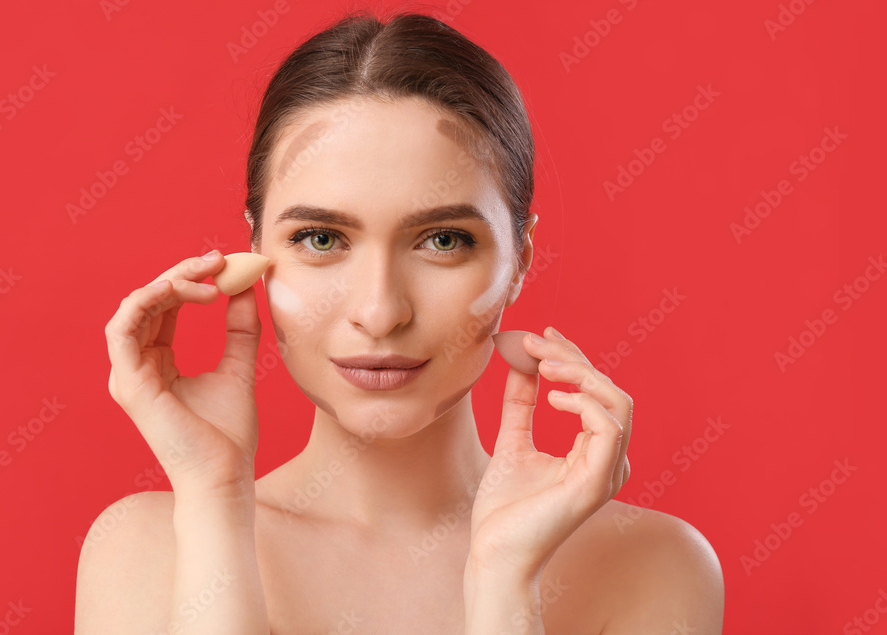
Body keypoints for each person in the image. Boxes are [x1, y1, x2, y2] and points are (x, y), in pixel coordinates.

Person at [75, 10, 723, 634]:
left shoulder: (652, 565)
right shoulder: (144, 548)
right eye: (322, 238)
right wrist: (216, 500)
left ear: (520, 258)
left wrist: (504, 583)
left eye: (442, 240)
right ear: (253, 250)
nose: (381, 312)